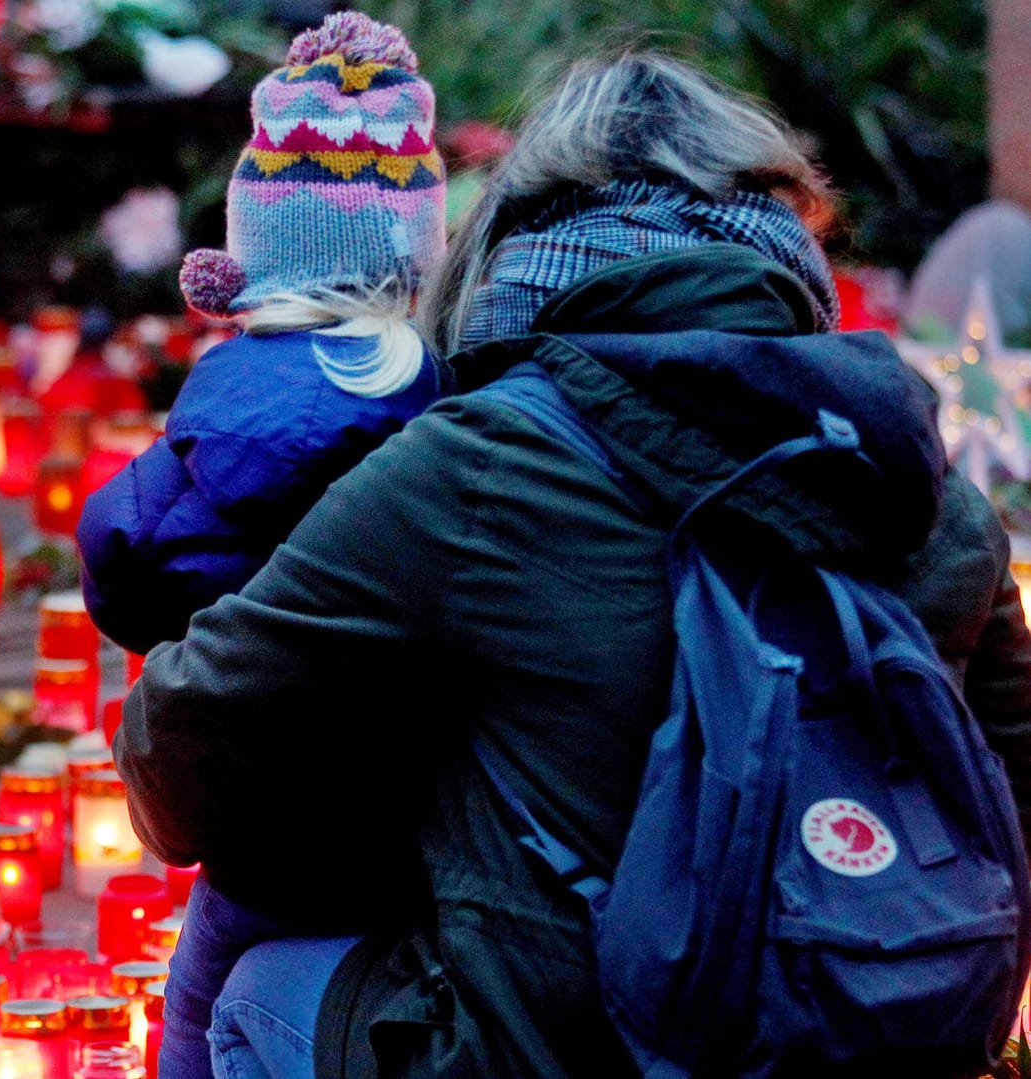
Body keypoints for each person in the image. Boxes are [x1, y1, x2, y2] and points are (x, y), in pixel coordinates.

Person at [114, 51, 1031, 1079]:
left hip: (560, 1046)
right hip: (877, 1022)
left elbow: (177, 747)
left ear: (517, 244)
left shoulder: (479, 464)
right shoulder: (926, 483)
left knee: (254, 995)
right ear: (787, 246)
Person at [75, 12, 449, 1078]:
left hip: (266, 831)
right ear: (415, 258)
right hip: (412, 823)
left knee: (196, 1009)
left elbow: (124, 556)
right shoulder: (442, 398)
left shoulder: (226, 402)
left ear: (248, 254)